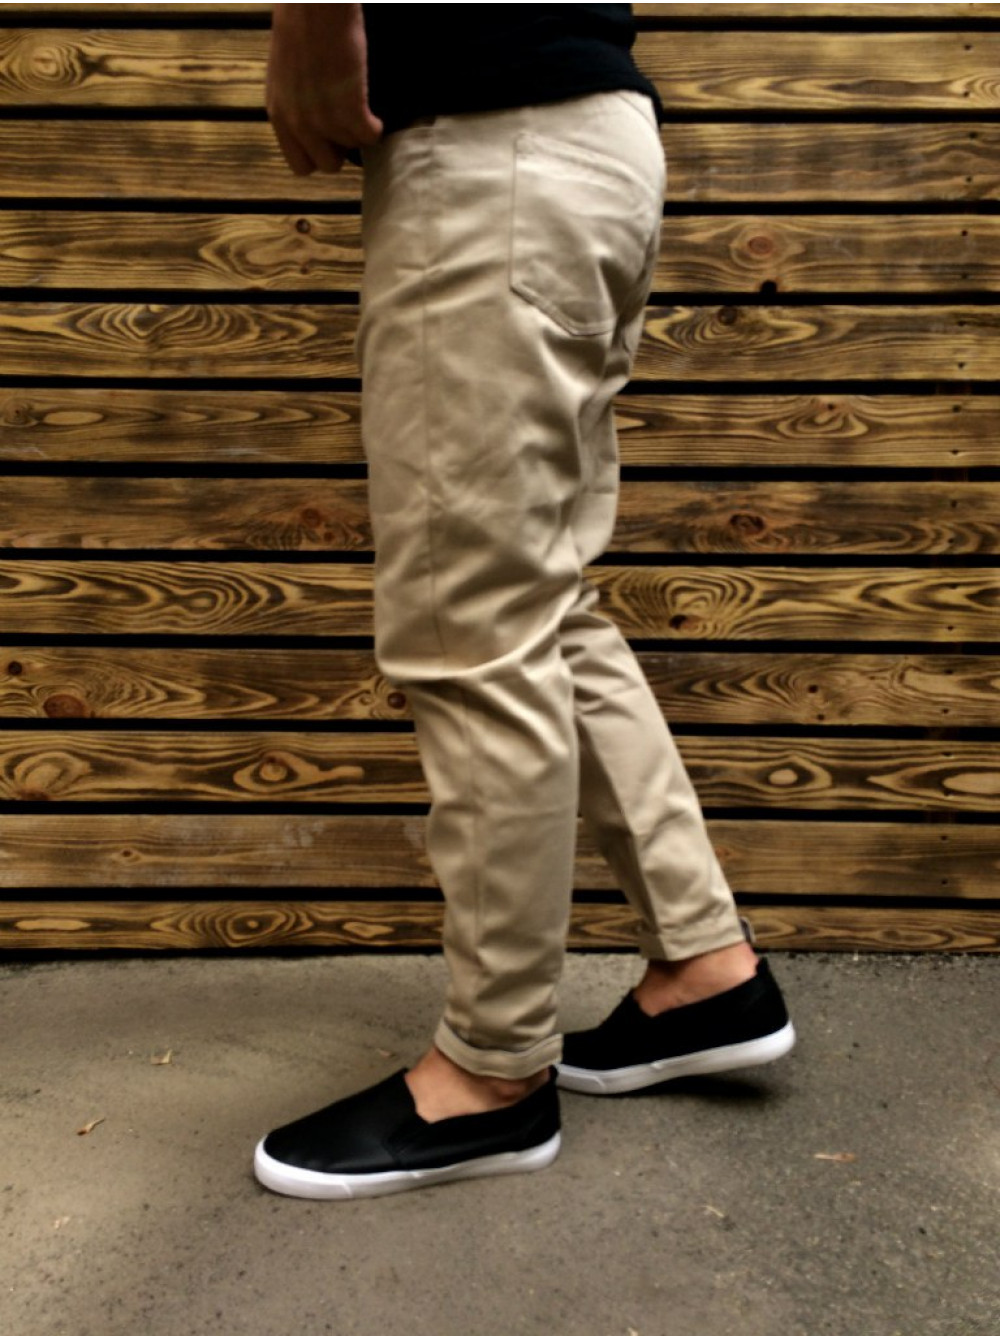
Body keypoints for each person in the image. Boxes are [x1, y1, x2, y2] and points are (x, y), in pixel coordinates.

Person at [255, 3, 795, 1201]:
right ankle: (704, 965)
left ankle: (491, 1073)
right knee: (539, 601)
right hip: (581, 142)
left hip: (493, 146)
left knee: (470, 625)